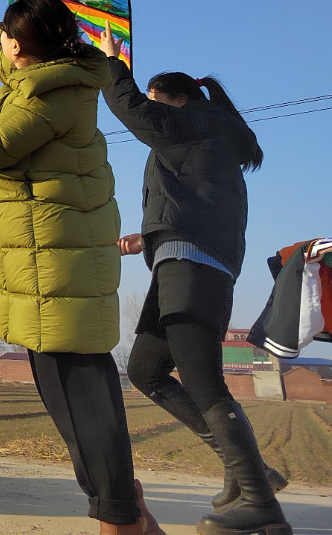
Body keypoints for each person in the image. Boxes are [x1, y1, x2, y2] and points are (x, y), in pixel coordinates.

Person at [0, 0, 159, 535]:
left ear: (24, 44)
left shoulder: (47, 97)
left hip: (56, 268)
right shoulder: (51, 75)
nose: (3, 45)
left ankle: (121, 516)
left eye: (11, 36)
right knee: (76, 400)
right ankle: (126, 507)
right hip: (49, 264)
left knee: (81, 400)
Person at [100, 31, 290, 535]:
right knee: (146, 369)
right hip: (181, 258)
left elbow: (138, 114)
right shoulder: (201, 135)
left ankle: (261, 502)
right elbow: (194, 197)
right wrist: (150, 235)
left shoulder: (200, 122)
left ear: (181, 101)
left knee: (204, 380)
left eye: (161, 101)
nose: (157, 113)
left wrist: (113, 67)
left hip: (194, 266)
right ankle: (248, 473)